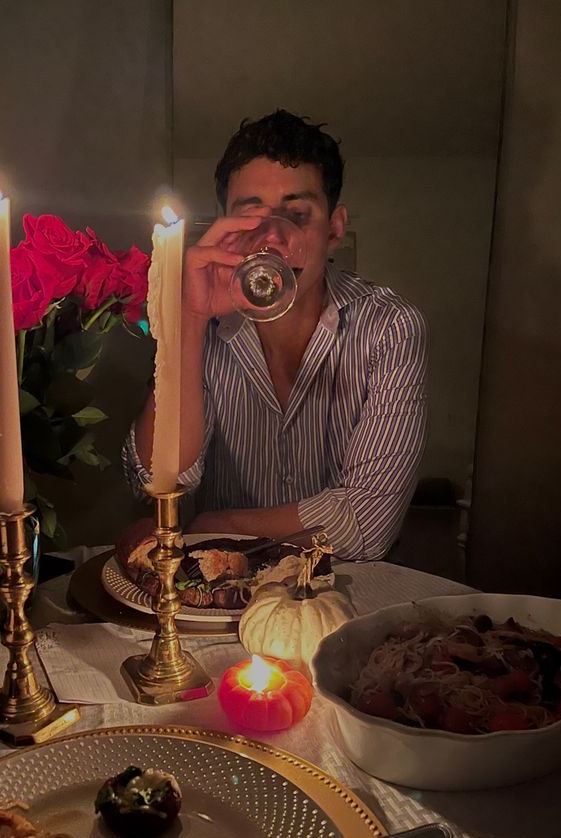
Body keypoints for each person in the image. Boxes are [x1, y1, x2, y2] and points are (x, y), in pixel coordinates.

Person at [122, 109, 428, 561]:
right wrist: (187, 320)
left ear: (335, 228)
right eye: (251, 218)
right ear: (225, 226)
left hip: (341, 600)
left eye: (297, 215)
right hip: (217, 597)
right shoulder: (202, 321)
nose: (272, 240)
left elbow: (367, 523)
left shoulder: (390, 327)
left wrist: (215, 526)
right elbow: (159, 481)